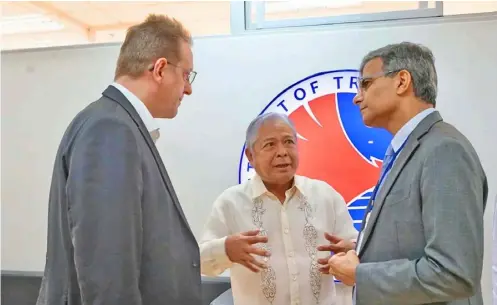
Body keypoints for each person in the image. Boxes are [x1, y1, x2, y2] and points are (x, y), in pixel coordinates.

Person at [36, 14, 201, 305]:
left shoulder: (117, 124)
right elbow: (107, 267)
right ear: (160, 69)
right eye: (187, 75)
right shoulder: (111, 129)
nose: (188, 88)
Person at [325, 42, 488, 305]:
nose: (357, 97)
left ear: (402, 81)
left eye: (366, 84)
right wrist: (365, 251)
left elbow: (453, 273)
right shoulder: (407, 149)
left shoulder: (444, 150)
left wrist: (360, 274)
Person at [199, 112, 358, 305]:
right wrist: (225, 249)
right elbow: (199, 263)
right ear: (250, 155)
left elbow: (356, 249)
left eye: (289, 142)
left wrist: (352, 250)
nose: (282, 152)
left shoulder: (325, 196)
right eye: (270, 144)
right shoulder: (230, 203)